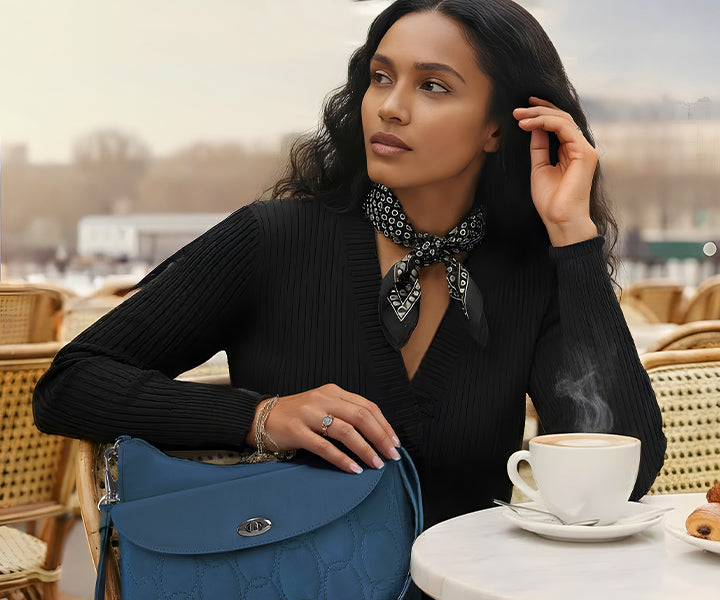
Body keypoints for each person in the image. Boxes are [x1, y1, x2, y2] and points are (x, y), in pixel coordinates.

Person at [34, 0, 665, 537]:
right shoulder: (272, 240)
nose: (390, 107)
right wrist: (259, 417)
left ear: (497, 129)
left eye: (434, 86)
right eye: (381, 77)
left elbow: (624, 473)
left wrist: (571, 236)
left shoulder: (529, 271)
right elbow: (70, 384)